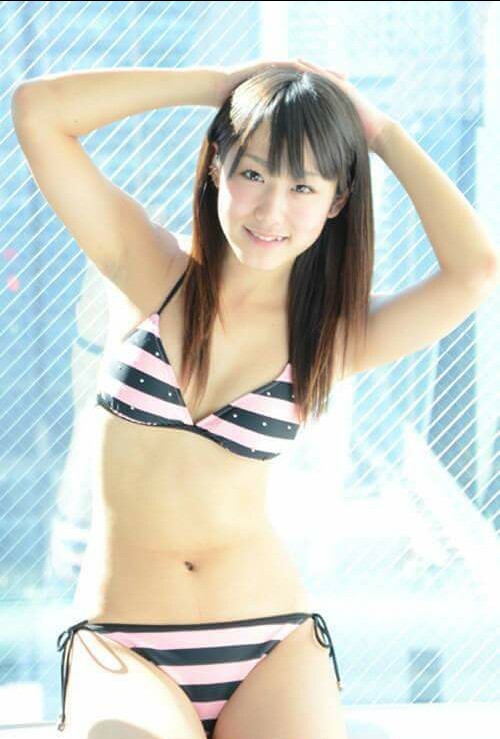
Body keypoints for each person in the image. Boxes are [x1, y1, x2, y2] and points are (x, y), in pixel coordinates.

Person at [12, 57, 498, 739]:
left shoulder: (328, 337)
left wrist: (380, 134)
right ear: (218, 166)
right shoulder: (150, 268)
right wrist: (219, 87)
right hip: (125, 642)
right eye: (253, 174)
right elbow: (37, 113)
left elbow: (475, 270)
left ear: (336, 201)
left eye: (303, 186)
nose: (271, 210)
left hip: (270, 644)